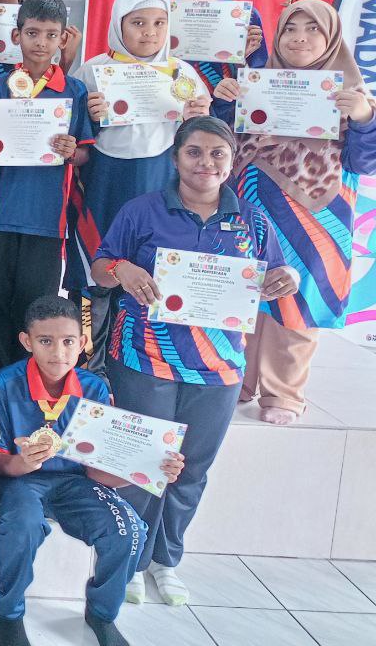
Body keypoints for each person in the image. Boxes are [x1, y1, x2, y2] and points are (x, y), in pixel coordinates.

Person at [91, 117, 298, 607]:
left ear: (231, 161)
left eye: (217, 154)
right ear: (176, 158)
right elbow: (100, 269)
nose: (206, 163)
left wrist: (286, 277)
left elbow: (276, 271)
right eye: (195, 152)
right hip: (143, 357)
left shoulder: (252, 220)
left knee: (192, 470)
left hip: (220, 366)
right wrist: (123, 268)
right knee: (142, 463)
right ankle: (131, 558)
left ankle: (167, 561)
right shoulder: (142, 210)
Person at [0, 296, 180, 646]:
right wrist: (23, 462)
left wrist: (148, 469)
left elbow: (97, 474)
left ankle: (101, 613)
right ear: (27, 341)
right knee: (23, 524)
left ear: (83, 342)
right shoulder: (5, 383)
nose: (58, 352)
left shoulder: (94, 389)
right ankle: (8, 613)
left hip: (74, 484)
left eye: (68, 341)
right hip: (18, 481)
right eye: (45, 341)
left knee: (130, 531)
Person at [211, 0, 376, 423]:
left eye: (313, 29)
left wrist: (363, 118)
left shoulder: (352, 95)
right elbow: (224, 143)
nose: (299, 38)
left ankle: (283, 392)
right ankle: (237, 379)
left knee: (299, 299)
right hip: (252, 202)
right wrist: (226, 103)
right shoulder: (256, 84)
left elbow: (364, 162)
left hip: (317, 213)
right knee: (244, 292)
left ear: (332, 39)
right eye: (290, 29)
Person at [68, 0, 211, 375]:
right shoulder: (93, 71)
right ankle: (88, 368)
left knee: (150, 276)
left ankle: (137, 367)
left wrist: (197, 116)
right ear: (118, 24)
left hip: (158, 184)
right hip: (104, 185)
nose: (149, 32)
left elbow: (202, 144)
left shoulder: (183, 75)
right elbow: (74, 138)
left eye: (159, 23)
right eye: (138, 23)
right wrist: (90, 116)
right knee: (95, 274)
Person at [0, 0, 93, 374]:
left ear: (63, 39)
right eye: (32, 33)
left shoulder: (74, 90)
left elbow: (85, 155)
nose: (41, 42)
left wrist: (71, 151)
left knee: (36, 301)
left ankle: (27, 378)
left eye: (51, 35)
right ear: (16, 35)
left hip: (46, 217)